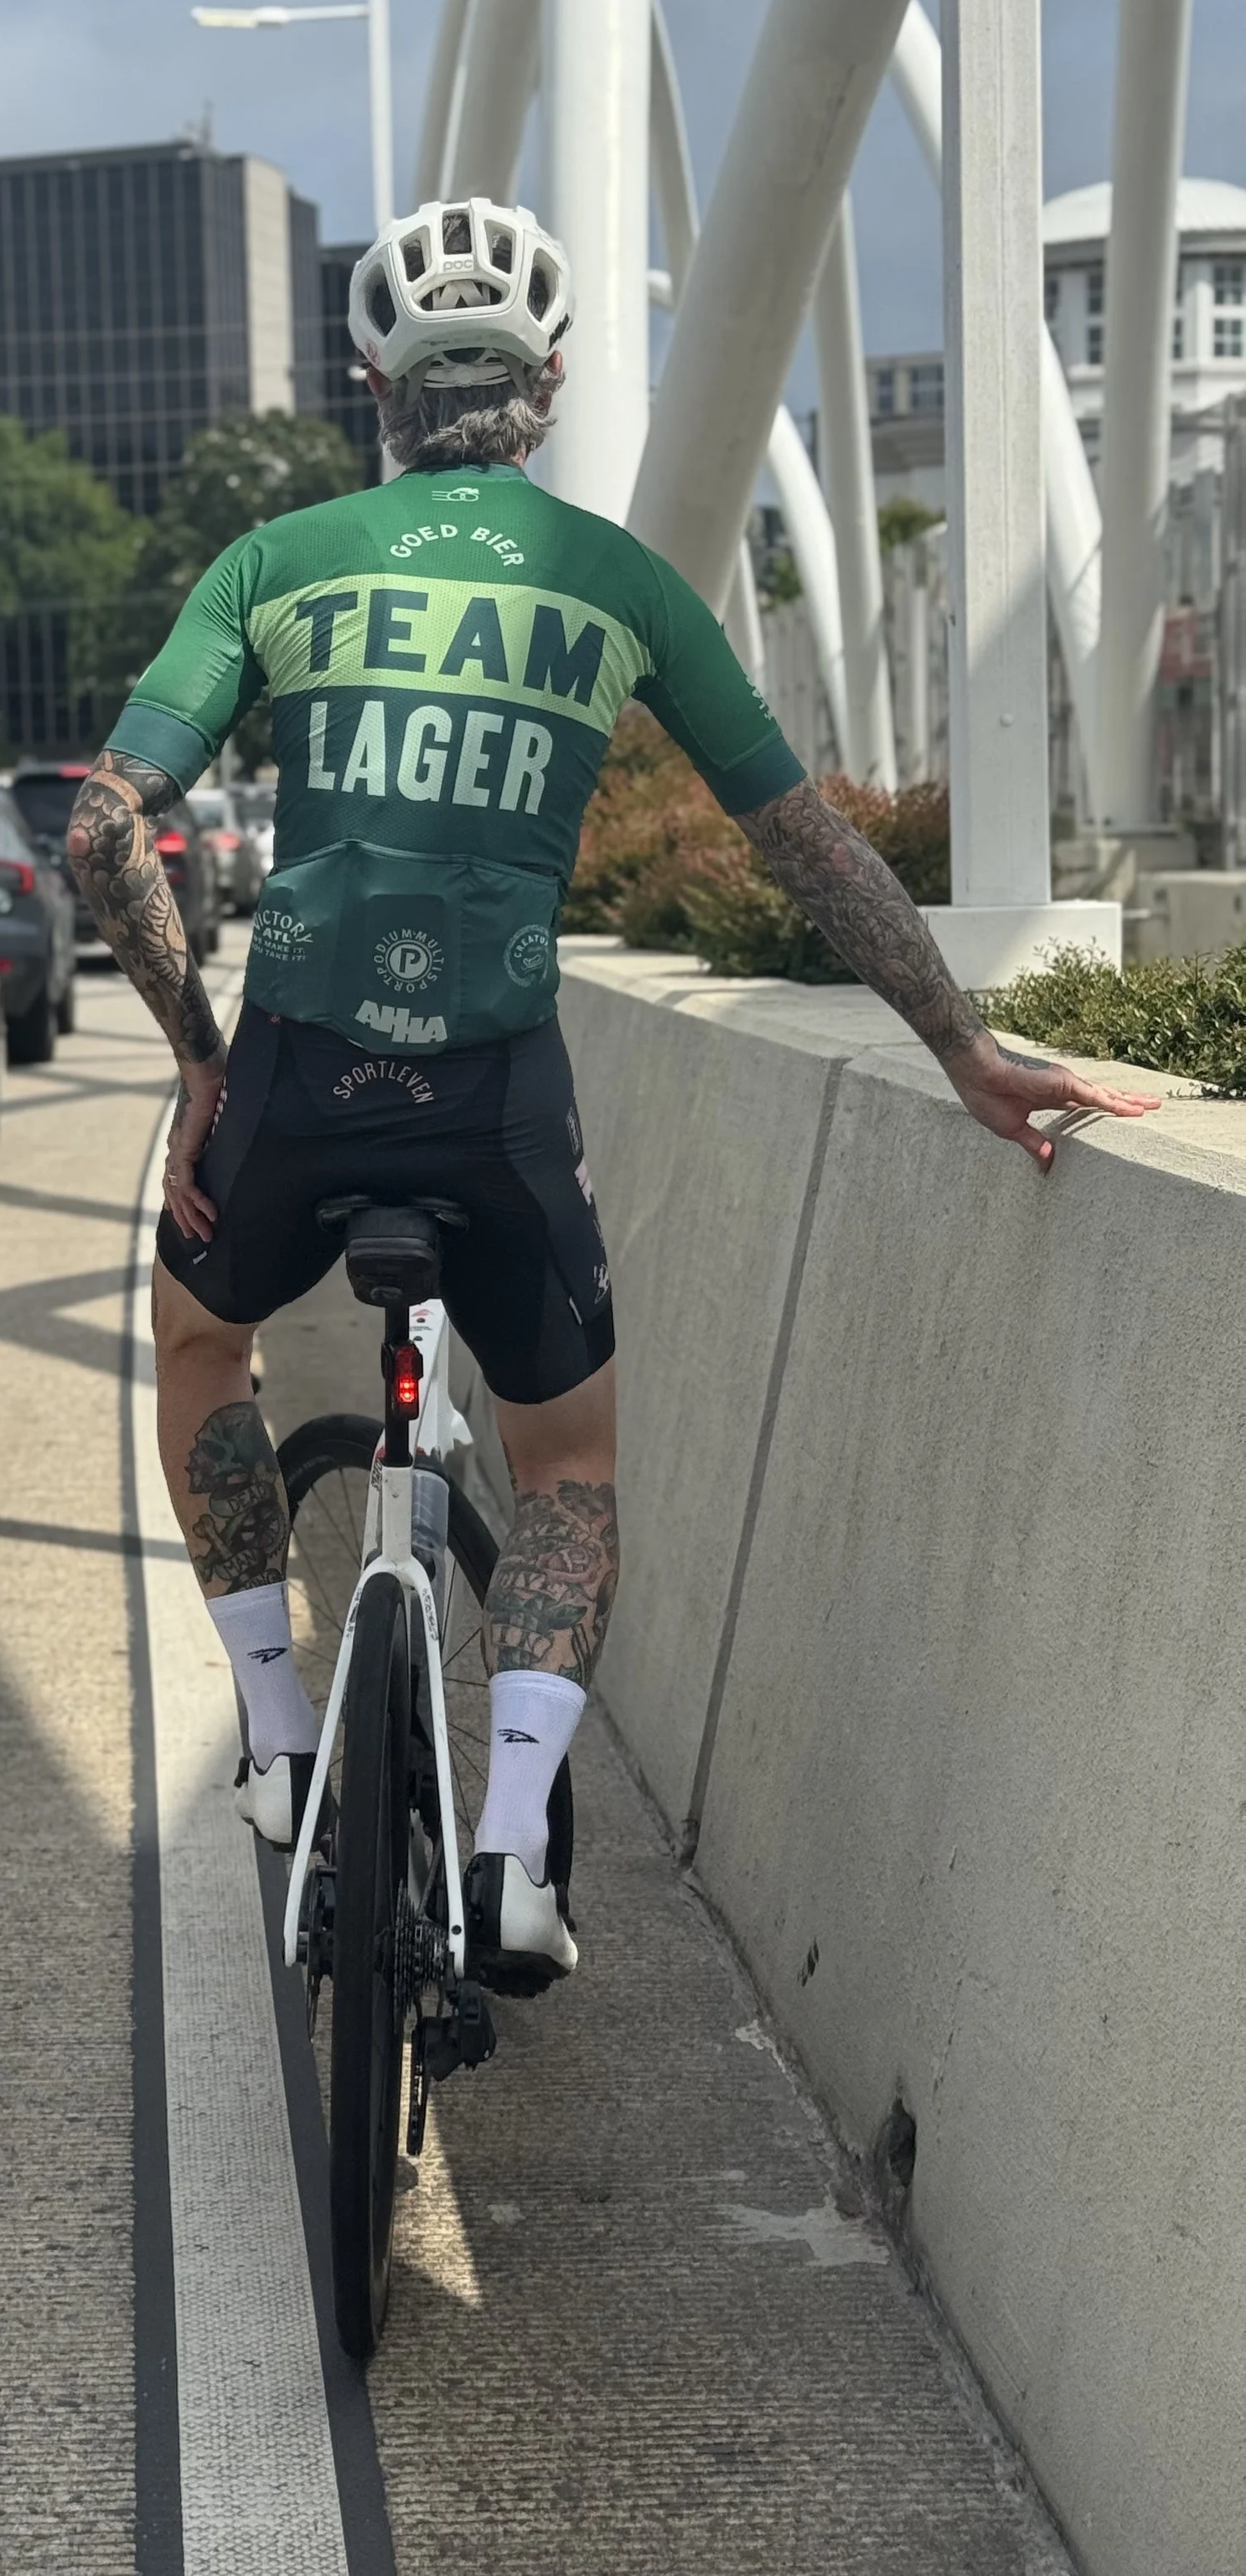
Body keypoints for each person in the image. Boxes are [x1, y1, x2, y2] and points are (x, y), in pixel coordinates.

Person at [69, 195, 1155, 1994]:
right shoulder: (616, 580)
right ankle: (507, 1850)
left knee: (202, 1342)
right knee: (562, 1459)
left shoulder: (273, 563)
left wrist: (197, 1060)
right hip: (493, 1103)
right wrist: (958, 1043)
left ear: (373, 389)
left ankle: (272, 1732)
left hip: (295, 1083)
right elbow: (806, 848)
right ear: (549, 388)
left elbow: (106, 830)